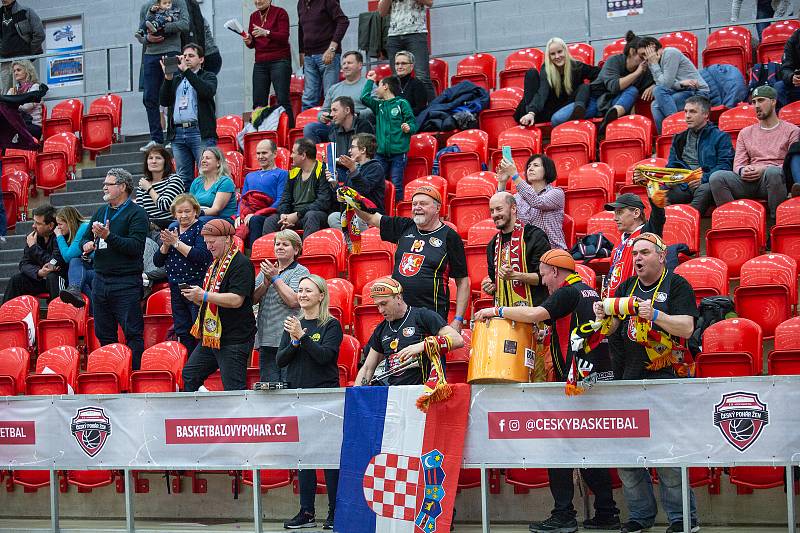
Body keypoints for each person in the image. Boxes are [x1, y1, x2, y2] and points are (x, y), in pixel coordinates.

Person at [474, 249, 619, 533]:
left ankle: (563, 515)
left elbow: (533, 314)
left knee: (558, 448)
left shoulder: (566, 292)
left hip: (574, 383)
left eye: (543, 275)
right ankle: (607, 512)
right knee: (589, 449)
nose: (543, 282)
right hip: (594, 380)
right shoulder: (587, 291)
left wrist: (496, 310)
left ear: (555, 271)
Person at [593, 233, 699, 533]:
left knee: (667, 453)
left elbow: (687, 327)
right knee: (627, 456)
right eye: (635, 254)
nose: (637, 258)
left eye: (644, 253)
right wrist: (604, 315)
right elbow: (612, 327)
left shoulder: (676, 285)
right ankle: (640, 515)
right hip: (628, 378)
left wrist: (655, 314)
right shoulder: (626, 286)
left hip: (665, 379)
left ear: (661, 257)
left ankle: (682, 519)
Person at [354, 185, 470, 330]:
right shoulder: (404, 226)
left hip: (432, 318)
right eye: (414, 204)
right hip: (399, 315)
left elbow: (463, 281)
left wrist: (458, 319)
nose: (417, 207)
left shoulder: (450, 237)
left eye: (423, 203)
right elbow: (371, 217)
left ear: (437, 208)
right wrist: (353, 200)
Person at [276, 274, 342, 530]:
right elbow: (281, 360)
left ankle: (335, 512)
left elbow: (325, 357)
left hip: (324, 397)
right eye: (300, 290)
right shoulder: (293, 324)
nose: (302, 295)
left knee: (328, 457)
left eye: (308, 291)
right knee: (304, 456)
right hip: (297, 396)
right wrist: (294, 339)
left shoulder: (331, 325)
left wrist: (301, 337)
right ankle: (306, 512)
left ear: (321, 295)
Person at [81, 169, 149, 370]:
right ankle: (111, 373)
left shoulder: (137, 213)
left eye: (109, 184)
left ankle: (134, 374)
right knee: (104, 333)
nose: (104, 187)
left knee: (133, 333)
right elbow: (85, 237)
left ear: (122, 187)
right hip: (101, 280)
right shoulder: (102, 210)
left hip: (126, 282)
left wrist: (108, 236)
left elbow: (136, 247)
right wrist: (85, 245)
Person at [181, 218, 256, 391]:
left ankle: (238, 418)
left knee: (233, 389)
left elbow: (237, 300)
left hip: (234, 338)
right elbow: (212, 298)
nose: (208, 247)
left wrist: (204, 295)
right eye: (206, 242)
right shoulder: (215, 263)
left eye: (212, 242)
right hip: (212, 336)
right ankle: (204, 415)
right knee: (190, 375)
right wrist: (197, 297)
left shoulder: (241, 263)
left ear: (228, 239)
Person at [354, 276, 464, 387]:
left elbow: (457, 340)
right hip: (394, 394)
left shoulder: (422, 316)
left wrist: (422, 345)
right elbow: (367, 368)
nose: (380, 310)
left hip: (423, 391)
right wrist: (355, 395)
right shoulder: (381, 329)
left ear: (398, 298)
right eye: (377, 305)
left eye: (384, 303)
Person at [710, 85, 800, 219]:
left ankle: (778, 222)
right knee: (717, 177)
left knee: (773, 172)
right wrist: (743, 171)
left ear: (773, 101)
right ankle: (734, 221)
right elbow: (738, 165)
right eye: (754, 102)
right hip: (748, 180)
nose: (757, 105)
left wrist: (763, 169)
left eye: (761, 100)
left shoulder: (792, 131)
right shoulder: (745, 133)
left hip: (775, 179)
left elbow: (791, 165)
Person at [154, 194, 212, 354]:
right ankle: (188, 364)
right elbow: (158, 261)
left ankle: (202, 364)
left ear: (195, 211)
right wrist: (166, 245)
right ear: (174, 213)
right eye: (179, 212)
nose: (183, 215)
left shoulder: (201, 228)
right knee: (182, 329)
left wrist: (176, 243)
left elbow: (201, 257)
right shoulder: (172, 228)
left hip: (196, 286)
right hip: (176, 287)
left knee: (198, 328)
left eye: (187, 211)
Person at [661, 95, 733, 214]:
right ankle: (662, 226)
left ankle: (685, 222)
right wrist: (670, 179)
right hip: (684, 184)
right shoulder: (679, 138)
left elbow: (725, 166)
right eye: (686, 112)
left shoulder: (721, 137)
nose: (687, 116)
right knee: (657, 193)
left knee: (705, 190)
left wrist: (703, 178)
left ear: (705, 115)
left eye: (693, 112)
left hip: (705, 183)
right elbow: (672, 165)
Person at [159, 42, 218, 190]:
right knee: (183, 178)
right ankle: (187, 210)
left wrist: (186, 71)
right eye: (184, 56)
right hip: (178, 134)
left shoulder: (208, 76)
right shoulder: (176, 79)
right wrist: (168, 77)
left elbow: (206, 92)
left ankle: (207, 209)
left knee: (207, 174)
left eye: (191, 56)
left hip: (200, 132)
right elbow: (164, 101)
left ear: (201, 59)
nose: (186, 59)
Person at [253, 229, 309, 383]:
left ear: (296, 250)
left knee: (288, 387)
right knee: (268, 389)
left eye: (285, 244)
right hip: (266, 340)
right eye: (277, 244)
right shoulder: (267, 270)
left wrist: (275, 278)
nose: (280, 247)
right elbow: (252, 299)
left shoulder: (301, 271)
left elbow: (293, 301)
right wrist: (264, 284)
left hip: (288, 341)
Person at [632, 32, 710, 135]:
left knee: (657, 93)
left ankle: (677, 132)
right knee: (654, 104)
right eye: (642, 56)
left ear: (652, 46)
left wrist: (655, 65)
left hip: (698, 92)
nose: (645, 58)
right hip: (682, 90)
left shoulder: (670, 53)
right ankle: (668, 136)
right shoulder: (652, 62)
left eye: (644, 54)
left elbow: (665, 85)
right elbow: (663, 84)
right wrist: (681, 83)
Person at [482, 190, 551, 306]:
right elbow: (495, 281)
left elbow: (546, 278)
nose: (494, 215)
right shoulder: (493, 244)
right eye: (491, 211)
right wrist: (491, 287)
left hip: (534, 313)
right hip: (504, 316)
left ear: (513, 209)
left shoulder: (534, 236)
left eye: (499, 209)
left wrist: (516, 275)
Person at [138, 0, 189, 152]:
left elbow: (185, 24)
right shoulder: (146, 6)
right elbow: (140, 33)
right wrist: (148, 38)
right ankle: (156, 138)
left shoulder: (178, 3)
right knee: (149, 97)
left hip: (171, 51)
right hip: (150, 54)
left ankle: (173, 137)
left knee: (174, 93)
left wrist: (162, 27)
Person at [515, 37, 600, 127]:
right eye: (552, 54)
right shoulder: (547, 69)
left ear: (565, 51)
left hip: (565, 108)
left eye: (559, 52)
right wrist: (531, 113)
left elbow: (598, 72)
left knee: (584, 87)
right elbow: (542, 92)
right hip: (545, 111)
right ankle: (527, 115)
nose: (557, 56)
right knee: (531, 73)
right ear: (549, 56)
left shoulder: (576, 66)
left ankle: (579, 111)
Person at [260, 138, 334, 238]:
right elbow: (285, 200)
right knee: (271, 220)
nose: (291, 156)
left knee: (312, 216)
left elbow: (323, 202)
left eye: (293, 152)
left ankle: (307, 253)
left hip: (314, 216)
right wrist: (284, 215)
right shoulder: (293, 173)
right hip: (294, 216)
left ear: (303, 155)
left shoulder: (323, 170)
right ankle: (270, 253)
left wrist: (297, 215)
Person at [361, 71, 417, 201]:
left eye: (378, 85)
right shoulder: (378, 105)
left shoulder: (402, 103)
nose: (376, 89)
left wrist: (409, 128)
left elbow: (412, 122)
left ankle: (397, 210)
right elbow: (364, 97)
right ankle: (381, 210)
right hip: (380, 153)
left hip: (398, 153)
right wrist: (369, 81)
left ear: (385, 86)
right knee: (378, 183)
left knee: (396, 184)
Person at [496, 153, 566, 249]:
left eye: (536, 165)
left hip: (552, 251)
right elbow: (501, 209)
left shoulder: (557, 193)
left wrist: (515, 175)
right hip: (526, 253)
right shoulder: (518, 197)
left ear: (547, 170)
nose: (530, 168)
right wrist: (502, 182)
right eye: (529, 166)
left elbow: (536, 202)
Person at [590, 31, 654, 134]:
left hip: (617, 103)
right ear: (632, 51)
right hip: (596, 100)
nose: (646, 59)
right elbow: (614, 86)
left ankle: (610, 118)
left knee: (632, 90)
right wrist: (637, 73)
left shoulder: (645, 68)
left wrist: (654, 86)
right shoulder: (614, 61)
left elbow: (662, 81)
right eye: (642, 55)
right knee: (558, 118)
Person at [602, 192, 665, 298]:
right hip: (614, 303)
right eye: (615, 213)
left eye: (620, 212)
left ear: (636, 213)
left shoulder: (646, 234)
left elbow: (658, 216)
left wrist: (653, 189)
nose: (615, 218)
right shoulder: (621, 239)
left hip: (635, 302)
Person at [244, 0, 294, 128]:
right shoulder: (253, 16)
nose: (258, 1)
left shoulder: (280, 13)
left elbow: (284, 37)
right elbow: (253, 44)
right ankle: (260, 133)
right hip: (260, 62)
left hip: (280, 60)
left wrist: (266, 32)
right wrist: (249, 41)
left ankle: (288, 132)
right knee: (258, 103)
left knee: (283, 100)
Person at [303, 50, 372, 143]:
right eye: (344, 64)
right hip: (335, 128)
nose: (346, 66)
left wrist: (356, 115)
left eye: (349, 63)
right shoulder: (334, 88)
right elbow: (323, 111)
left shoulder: (369, 85)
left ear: (360, 65)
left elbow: (374, 109)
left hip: (358, 127)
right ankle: (317, 157)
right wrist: (323, 117)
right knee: (310, 128)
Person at [3, 204, 65, 303]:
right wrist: (39, 272)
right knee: (16, 280)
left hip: (59, 278)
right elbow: (23, 264)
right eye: (34, 222)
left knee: (53, 277)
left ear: (51, 225)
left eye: (38, 223)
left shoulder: (59, 236)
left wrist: (33, 247)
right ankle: (5, 316)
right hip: (41, 278)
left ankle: (57, 314)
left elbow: (55, 262)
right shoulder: (33, 237)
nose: (33, 226)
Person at [327, 132, 385, 231]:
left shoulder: (376, 167)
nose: (349, 150)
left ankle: (359, 244)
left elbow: (364, 190)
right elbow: (345, 196)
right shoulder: (353, 169)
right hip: (352, 212)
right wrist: (335, 184)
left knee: (356, 218)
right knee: (333, 217)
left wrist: (353, 169)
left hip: (370, 215)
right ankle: (349, 243)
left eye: (353, 147)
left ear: (363, 150)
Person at [297, 0, 349, 111]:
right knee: (308, 98)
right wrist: (302, 54)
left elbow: (343, 21)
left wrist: (332, 48)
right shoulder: (300, 3)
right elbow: (300, 29)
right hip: (308, 57)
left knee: (330, 97)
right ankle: (305, 127)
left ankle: (332, 127)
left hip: (327, 54)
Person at [378, 0, 435, 100]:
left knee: (422, 77)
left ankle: (431, 112)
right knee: (396, 78)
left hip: (416, 32)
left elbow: (429, 2)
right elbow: (382, 12)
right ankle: (400, 111)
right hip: (394, 34)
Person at [241, 139, 289, 246]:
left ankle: (255, 255)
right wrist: (240, 216)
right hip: (250, 215)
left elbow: (280, 200)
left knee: (255, 220)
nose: (260, 156)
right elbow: (243, 200)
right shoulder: (249, 176)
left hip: (271, 215)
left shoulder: (283, 174)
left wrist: (256, 214)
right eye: (258, 153)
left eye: (264, 153)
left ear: (275, 154)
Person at [324, 95, 375, 182]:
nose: (331, 115)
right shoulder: (334, 130)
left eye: (335, 110)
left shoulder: (363, 126)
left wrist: (342, 161)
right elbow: (332, 157)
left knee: (323, 176)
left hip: (360, 172)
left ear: (347, 110)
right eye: (331, 111)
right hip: (341, 170)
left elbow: (365, 158)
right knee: (320, 171)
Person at [137, 144, 186, 230]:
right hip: (149, 225)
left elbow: (165, 205)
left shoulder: (174, 179)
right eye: (150, 158)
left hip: (171, 224)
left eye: (158, 158)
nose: (154, 161)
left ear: (165, 162)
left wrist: (149, 189)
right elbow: (140, 212)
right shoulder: (144, 183)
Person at [0, 0, 43, 94]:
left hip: (23, 59)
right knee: (6, 94)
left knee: (28, 91)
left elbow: (40, 34)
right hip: (5, 61)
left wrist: (29, 52)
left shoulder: (26, 11)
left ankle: (28, 108)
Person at [54, 206, 92, 308]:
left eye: (60, 224)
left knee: (74, 261)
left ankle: (75, 290)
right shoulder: (78, 230)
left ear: (70, 221)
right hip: (91, 269)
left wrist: (59, 236)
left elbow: (67, 256)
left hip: (102, 270)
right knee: (80, 280)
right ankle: (93, 310)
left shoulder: (84, 227)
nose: (58, 228)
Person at [189, 147, 238, 221]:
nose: (203, 161)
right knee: (174, 225)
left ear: (218, 163)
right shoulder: (197, 181)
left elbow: (216, 210)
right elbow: (190, 205)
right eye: (202, 158)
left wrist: (193, 214)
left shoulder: (225, 182)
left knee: (198, 223)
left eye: (207, 158)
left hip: (222, 220)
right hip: (199, 217)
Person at [5, 59, 42, 138]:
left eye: (18, 70)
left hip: (33, 125)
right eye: (14, 71)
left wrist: (12, 103)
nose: (15, 73)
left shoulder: (35, 87)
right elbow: (5, 106)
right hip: (18, 123)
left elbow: (26, 107)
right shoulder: (13, 90)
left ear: (27, 71)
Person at [391, 50, 430, 116]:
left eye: (403, 63)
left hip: (409, 120)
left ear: (411, 66)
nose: (399, 67)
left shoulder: (417, 84)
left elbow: (420, 109)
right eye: (397, 64)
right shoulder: (391, 83)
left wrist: (401, 113)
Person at [778, 27, 800, 107]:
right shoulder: (793, 40)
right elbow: (785, 68)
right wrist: (792, 77)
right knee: (779, 87)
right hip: (798, 85)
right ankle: (784, 117)